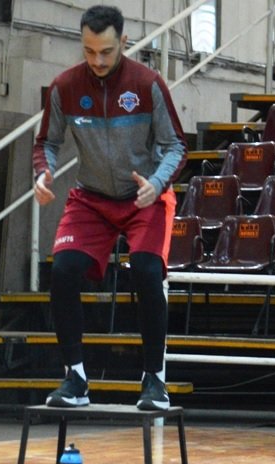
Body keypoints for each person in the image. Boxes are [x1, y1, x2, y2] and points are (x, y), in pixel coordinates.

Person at [32, 4, 187, 411]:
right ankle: (76, 379)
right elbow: (46, 142)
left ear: (124, 42)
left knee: (147, 272)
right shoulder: (65, 86)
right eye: (89, 51)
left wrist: (157, 183)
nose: (97, 61)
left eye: (106, 51)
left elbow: (176, 146)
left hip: (144, 195)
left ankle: (154, 380)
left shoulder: (148, 84)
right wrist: (44, 173)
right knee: (63, 270)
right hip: (92, 197)